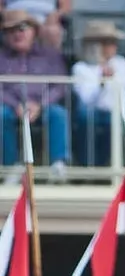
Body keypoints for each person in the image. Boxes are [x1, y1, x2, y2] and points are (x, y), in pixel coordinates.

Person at [0, 8, 67, 169]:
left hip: (43, 106)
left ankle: (58, 165)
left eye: (22, 28)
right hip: (10, 106)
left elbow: (60, 86)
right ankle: (11, 168)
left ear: (34, 31)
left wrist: (40, 105)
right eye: (10, 30)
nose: (17, 34)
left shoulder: (50, 55)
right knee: (1, 115)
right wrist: (15, 105)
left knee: (58, 114)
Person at [69, 20, 125, 168]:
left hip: (114, 113)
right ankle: (87, 167)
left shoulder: (121, 63)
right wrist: (101, 82)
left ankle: (102, 167)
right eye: (109, 42)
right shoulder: (81, 68)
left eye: (114, 42)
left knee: (114, 120)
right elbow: (86, 99)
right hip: (91, 112)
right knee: (85, 116)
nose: (114, 46)